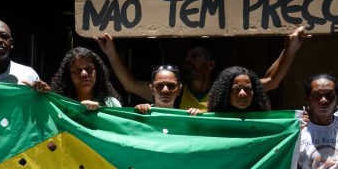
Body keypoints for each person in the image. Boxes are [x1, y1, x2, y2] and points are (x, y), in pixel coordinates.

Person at [95, 26, 309, 110]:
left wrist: (290, 49)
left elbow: (271, 81)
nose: (189, 62)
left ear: (211, 64)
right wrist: (110, 51)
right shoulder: (174, 90)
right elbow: (130, 84)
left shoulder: (227, 90)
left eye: (195, 57)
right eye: (187, 58)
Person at [46, 47, 121, 110]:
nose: (84, 74)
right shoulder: (59, 105)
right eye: (77, 70)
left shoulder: (111, 103)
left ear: (98, 72)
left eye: (89, 69)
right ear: (68, 76)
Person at [206, 66, 271, 112]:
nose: (243, 93)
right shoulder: (213, 121)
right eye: (236, 89)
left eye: (248, 89)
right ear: (225, 94)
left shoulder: (264, 121)